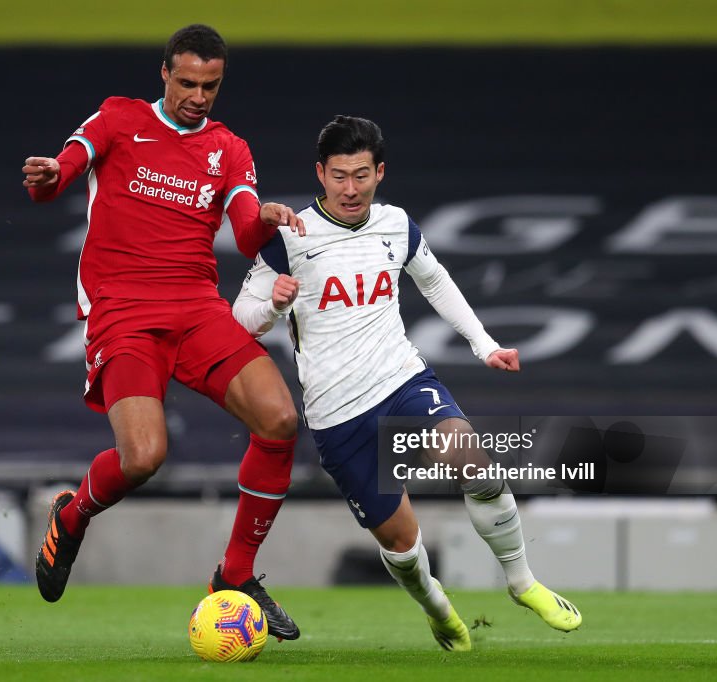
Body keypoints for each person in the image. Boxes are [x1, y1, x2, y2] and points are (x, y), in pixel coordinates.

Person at [232, 115, 581, 651]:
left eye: (363, 175)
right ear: (320, 174)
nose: (351, 189)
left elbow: (435, 280)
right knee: (402, 544)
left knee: (473, 461)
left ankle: (522, 581)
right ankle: (437, 609)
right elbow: (239, 319)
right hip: (337, 414)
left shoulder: (396, 224)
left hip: (402, 380)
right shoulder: (289, 239)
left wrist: (484, 344)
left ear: (381, 172)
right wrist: (273, 306)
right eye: (340, 176)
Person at [21, 24, 304, 640]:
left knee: (281, 420)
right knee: (144, 458)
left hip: (197, 308)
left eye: (211, 85)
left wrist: (269, 217)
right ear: (164, 74)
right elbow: (68, 165)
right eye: (188, 82)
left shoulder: (228, 147)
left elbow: (245, 227)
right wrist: (51, 174)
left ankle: (235, 574)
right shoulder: (119, 119)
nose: (199, 96)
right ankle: (74, 515)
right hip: (122, 310)